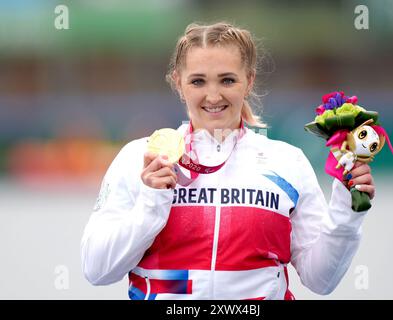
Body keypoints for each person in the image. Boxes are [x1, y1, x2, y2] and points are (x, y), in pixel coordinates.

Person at [81, 22, 375, 300]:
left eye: (227, 80)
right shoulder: (140, 158)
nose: (213, 95)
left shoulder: (287, 162)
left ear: (248, 82)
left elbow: (320, 280)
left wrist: (346, 211)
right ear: (178, 83)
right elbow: (97, 270)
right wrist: (150, 203)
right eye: (198, 81)